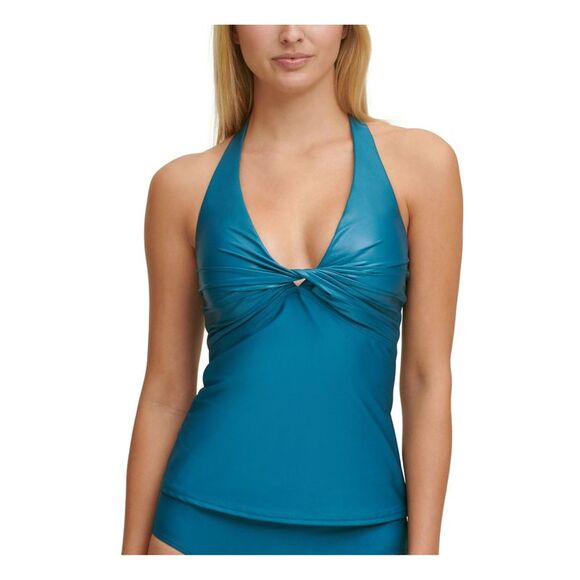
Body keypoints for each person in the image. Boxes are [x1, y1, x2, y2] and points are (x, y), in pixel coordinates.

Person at [122, 24, 462, 555]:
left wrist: (424, 558)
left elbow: (426, 379)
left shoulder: (421, 165)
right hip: (197, 522)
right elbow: (165, 392)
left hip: (366, 526)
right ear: (234, 31)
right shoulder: (182, 185)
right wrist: (129, 557)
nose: (290, 33)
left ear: (346, 26)